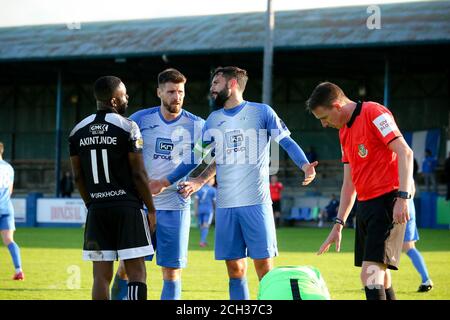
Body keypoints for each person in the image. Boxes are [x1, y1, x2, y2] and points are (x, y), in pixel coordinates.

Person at [150, 66, 318, 300]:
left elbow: (286, 141)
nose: (211, 89)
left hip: (256, 204)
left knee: (264, 270)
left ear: (232, 84)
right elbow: (195, 156)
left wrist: (304, 164)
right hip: (226, 206)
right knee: (235, 269)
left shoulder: (262, 113)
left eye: (216, 84)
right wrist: (164, 181)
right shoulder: (213, 120)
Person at [309, 82, 413, 300]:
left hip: (388, 202)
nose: (324, 125)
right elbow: (349, 183)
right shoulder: (343, 133)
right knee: (381, 278)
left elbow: (405, 152)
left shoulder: (374, 113)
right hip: (365, 207)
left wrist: (403, 198)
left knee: (370, 275)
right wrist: (339, 223)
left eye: (324, 118)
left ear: (337, 106)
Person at [111, 69, 205, 300]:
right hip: (140, 207)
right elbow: (118, 153)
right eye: (171, 91)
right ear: (159, 92)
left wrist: (200, 181)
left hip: (176, 206)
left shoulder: (198, 125)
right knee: (128, 266)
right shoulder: (140, 120)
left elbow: (218, 158)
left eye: (181, 91)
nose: (177, 96)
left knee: (172, 270)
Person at [68, 76, 156, 300]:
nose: (127, 98)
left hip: (97, 210)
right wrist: (151, 209)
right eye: (124, 94)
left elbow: (78, 175)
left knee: (101, 276)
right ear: (115, 101)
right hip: (127, 208)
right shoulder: (128, 127)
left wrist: (91, 204)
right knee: (137, 272)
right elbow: (138, 173)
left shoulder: (77, 131)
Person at [0, 142, 24, 280]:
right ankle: (19, 270)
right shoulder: (9, 168)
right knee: (9, 239)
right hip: (6, 207)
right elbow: (10, 190)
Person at [403, 183, 433, 292]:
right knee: (409, 247)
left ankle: (375, 281)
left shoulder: (395, 167)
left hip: (401, 207)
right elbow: (413, 189)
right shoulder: (407, 170)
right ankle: (426, 279)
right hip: (409, 205)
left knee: (384, 244)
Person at [194, 177, 216, 247]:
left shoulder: (199, 189)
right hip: (208, 210)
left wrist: (196, 210)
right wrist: (215, 210)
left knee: (201, 226)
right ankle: (202, 241)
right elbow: (214, 202)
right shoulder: (213, 190)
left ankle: (203, 240)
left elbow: (196, 201)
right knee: (206, 226)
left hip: (200, 209)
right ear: (211, 180)